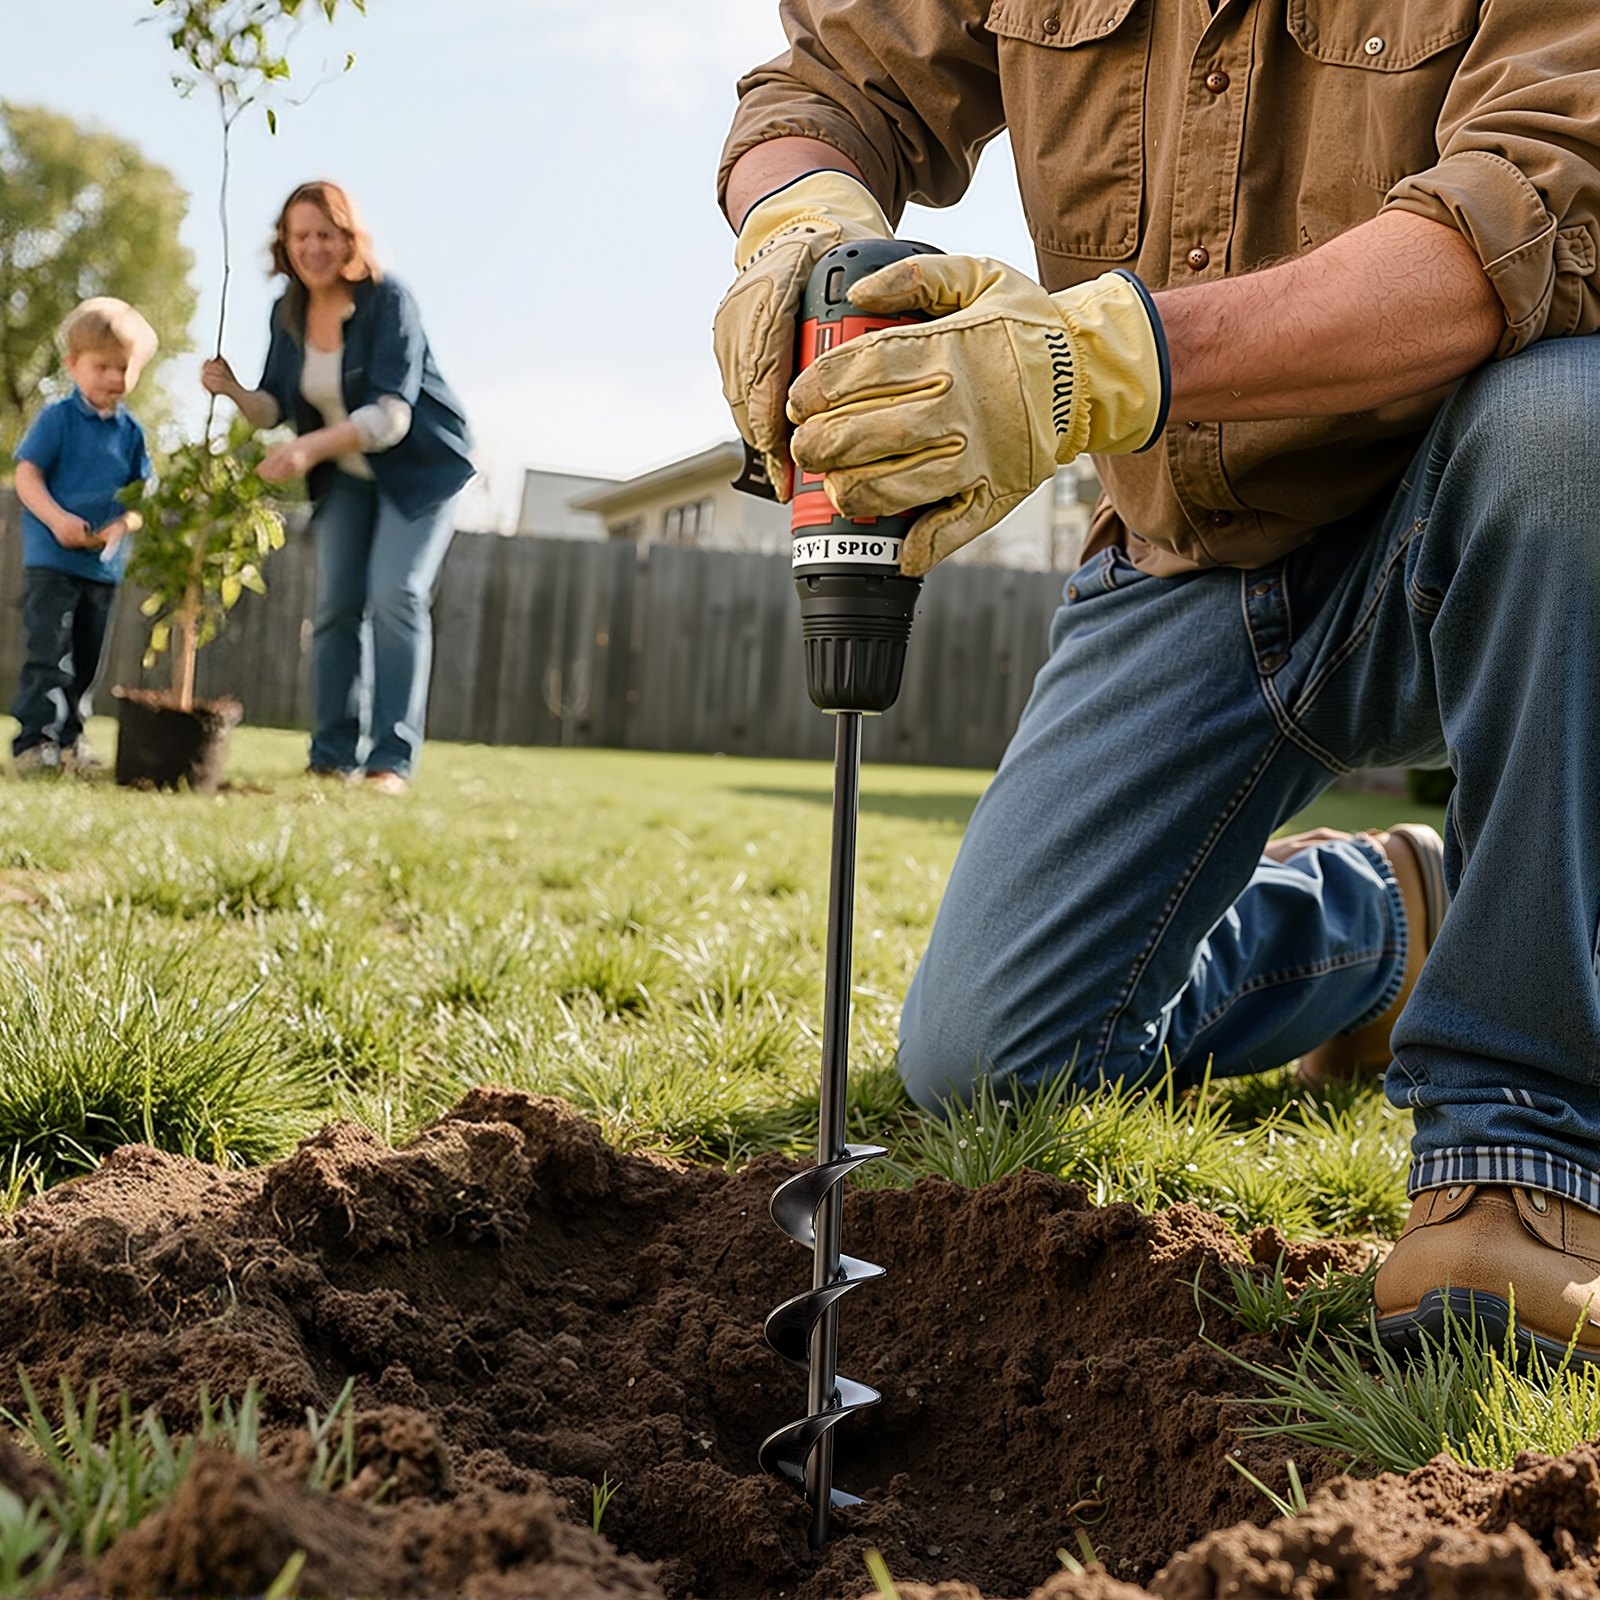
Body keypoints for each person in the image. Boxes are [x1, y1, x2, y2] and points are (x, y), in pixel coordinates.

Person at [714, 6, 1600, 1364]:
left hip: (1481, 513)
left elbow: (1533, 201)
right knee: (987, 1060)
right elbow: (833, 80)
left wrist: (1088, 364)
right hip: (1195, 554)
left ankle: (1517, 1140)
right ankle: (1382, 925)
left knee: (1575, 425)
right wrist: (804, 223)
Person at [202, 180, 473, 796]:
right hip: (346, 478)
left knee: (395, 595)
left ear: (349, 239)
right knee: (334, 610)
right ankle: (331, 757)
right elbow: (274, 407)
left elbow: (390, 417)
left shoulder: (387, 300)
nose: (313, 247)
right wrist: (234, 390)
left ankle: (390, 763)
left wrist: (305, 449)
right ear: (285, 244)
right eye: (301, 235)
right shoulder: (287, 310)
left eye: (326, 234)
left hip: (420, 470)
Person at [10, 297, 155, 776]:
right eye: (102, 366)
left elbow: (138, 501)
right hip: (53, 559)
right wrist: (57, 519)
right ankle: (35, 743)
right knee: (50, 652)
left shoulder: (132, 433)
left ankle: (72, 741)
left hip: (102, 566)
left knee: (89, 659)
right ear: (73, 365)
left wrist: (121, 525)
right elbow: (27, 476)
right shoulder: (58, 420)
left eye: (123, 367)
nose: (114, 378)